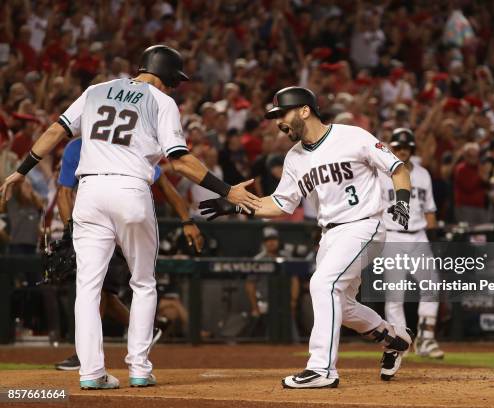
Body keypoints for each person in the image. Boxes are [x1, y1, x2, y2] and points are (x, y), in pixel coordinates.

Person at [0, 45, 260, 390]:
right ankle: (139, 368)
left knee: (87, 288)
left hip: (89, 192)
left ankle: (91, 373)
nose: (173, 87)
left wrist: (20, 170)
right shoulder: (161, 101)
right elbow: (179, 160)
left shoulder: (95, 91)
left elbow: (54, 131)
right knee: (143, 282)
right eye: (173, 81)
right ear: (166, 76)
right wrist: (227, 191)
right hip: (130, 190)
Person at [199, 86, 414, 389]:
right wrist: (236, 205)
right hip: (330, 235)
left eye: (282, 114)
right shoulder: (295, 157)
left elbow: (398, 168)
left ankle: (322, 369)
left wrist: (402, 201)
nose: (278, 122)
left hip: (364, 225)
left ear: (304, 110)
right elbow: (280, 204)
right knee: (342, 304)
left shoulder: (352, 136)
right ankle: (395, 337)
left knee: (323, 284)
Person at [54, 136, 204, 371]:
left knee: (98, 289)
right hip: (101, 222)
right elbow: (63, 194)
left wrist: (187, 219)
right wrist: (71, 232)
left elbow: (165, 185)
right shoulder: (79, 146)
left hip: (122, 225)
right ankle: (143, 334)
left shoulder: (123, 144)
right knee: (104, 290)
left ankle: (85, 357)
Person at [379, 128, 444, 365]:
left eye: (406, 147)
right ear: (391, 148)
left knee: (431, 286)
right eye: (398, 147)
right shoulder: (381, 173)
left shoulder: (424, 174)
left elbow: (430, 212)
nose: (402, 150)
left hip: (418, 236)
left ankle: (426, 339)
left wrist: (434, 232)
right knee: (395, 294)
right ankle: (401, 341)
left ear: (412, 149)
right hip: (393, 237)